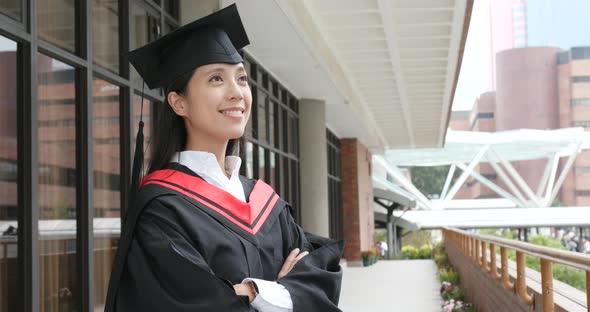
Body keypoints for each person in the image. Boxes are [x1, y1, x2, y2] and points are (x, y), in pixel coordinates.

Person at [104, 4, 344, 312]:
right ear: (179, 103)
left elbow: (319, 272)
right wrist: (284, 293)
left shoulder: (264, 202)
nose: (236, 92)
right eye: (216, 79)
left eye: (241, 78)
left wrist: (253, 293)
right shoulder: (162, 210)